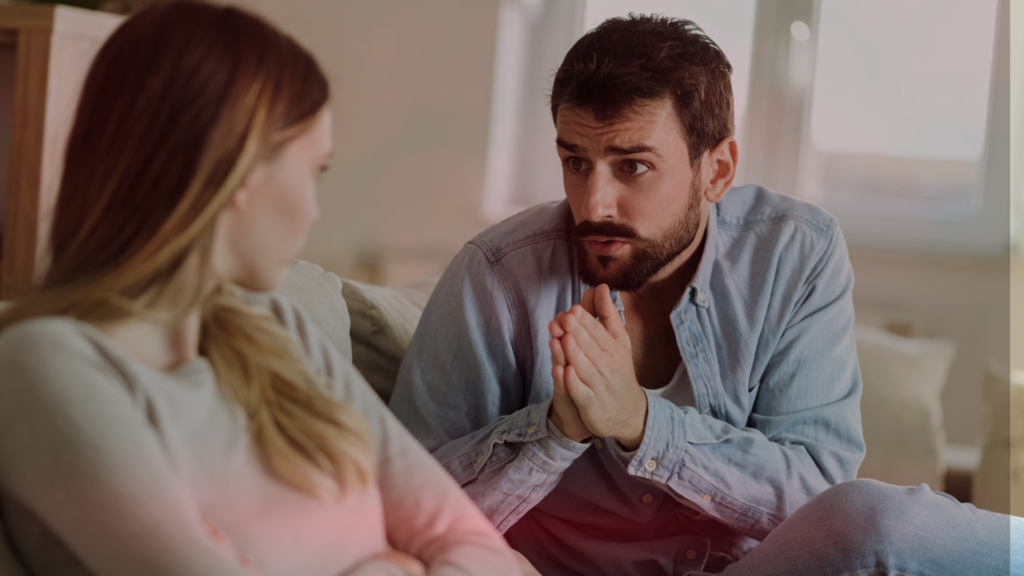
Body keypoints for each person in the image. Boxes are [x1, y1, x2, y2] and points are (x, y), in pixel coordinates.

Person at [388, 14, 1022, 575]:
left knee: (875, 518)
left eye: (632, 166)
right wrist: (556, 431)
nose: (593, 203)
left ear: (716, 170)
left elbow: (815, 498)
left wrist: (642, 423)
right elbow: (406, 513)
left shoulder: (796, 254)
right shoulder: (493, 278)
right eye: (575, 161)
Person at [0, 2, 521, 575]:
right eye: (314, 170)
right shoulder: (45, 365)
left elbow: (469, 539)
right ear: (237, 171)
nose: (316, 210)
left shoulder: (277, 323)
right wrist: (397, 566)